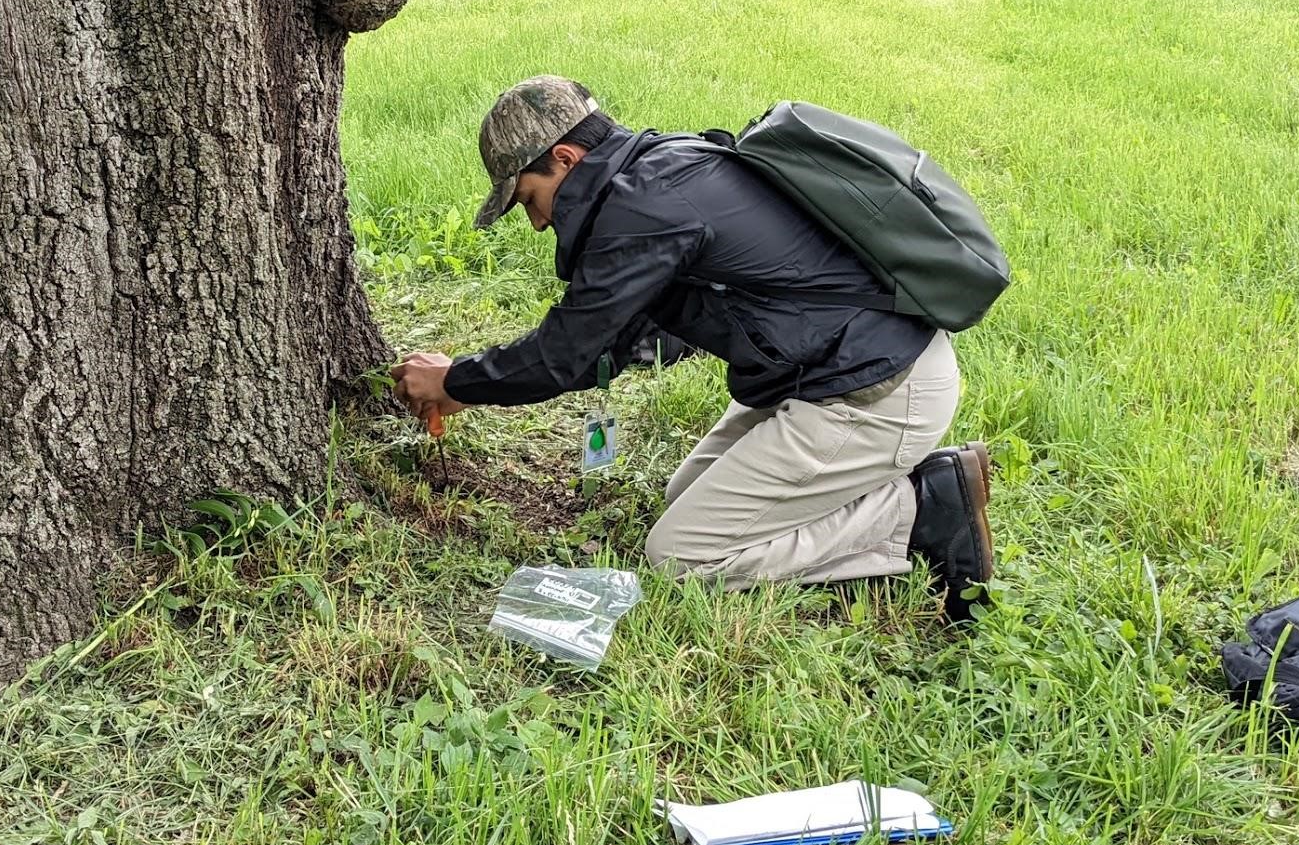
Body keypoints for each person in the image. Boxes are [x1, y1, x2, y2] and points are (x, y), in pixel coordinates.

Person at [392, 76, 994, 619]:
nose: (538, 223)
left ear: (566, 159)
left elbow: (562, 353)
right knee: (683, 499)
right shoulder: (665, 170)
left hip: (875, 392)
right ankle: (862, 496)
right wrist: (490, 382)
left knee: (681, 556)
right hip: (828, 371)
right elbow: (629, 335)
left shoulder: (642, 210)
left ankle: (922, 504)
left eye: (528, 199)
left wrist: (454, 381)